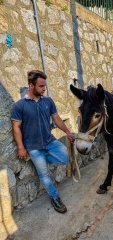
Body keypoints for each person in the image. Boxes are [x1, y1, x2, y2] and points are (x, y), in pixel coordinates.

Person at [11, 70, 75, 214]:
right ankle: (55, 198)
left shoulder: (48, 101)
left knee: (66, 157)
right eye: (41, 86)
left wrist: (68, 132)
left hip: (50, 142)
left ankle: (42, 161)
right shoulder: (20, 106)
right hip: (33, 147)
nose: (44, 89)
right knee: (44, 175)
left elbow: (57, 118)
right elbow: (16, 127)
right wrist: (21, 147)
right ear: (31, 86)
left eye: (44, 86)